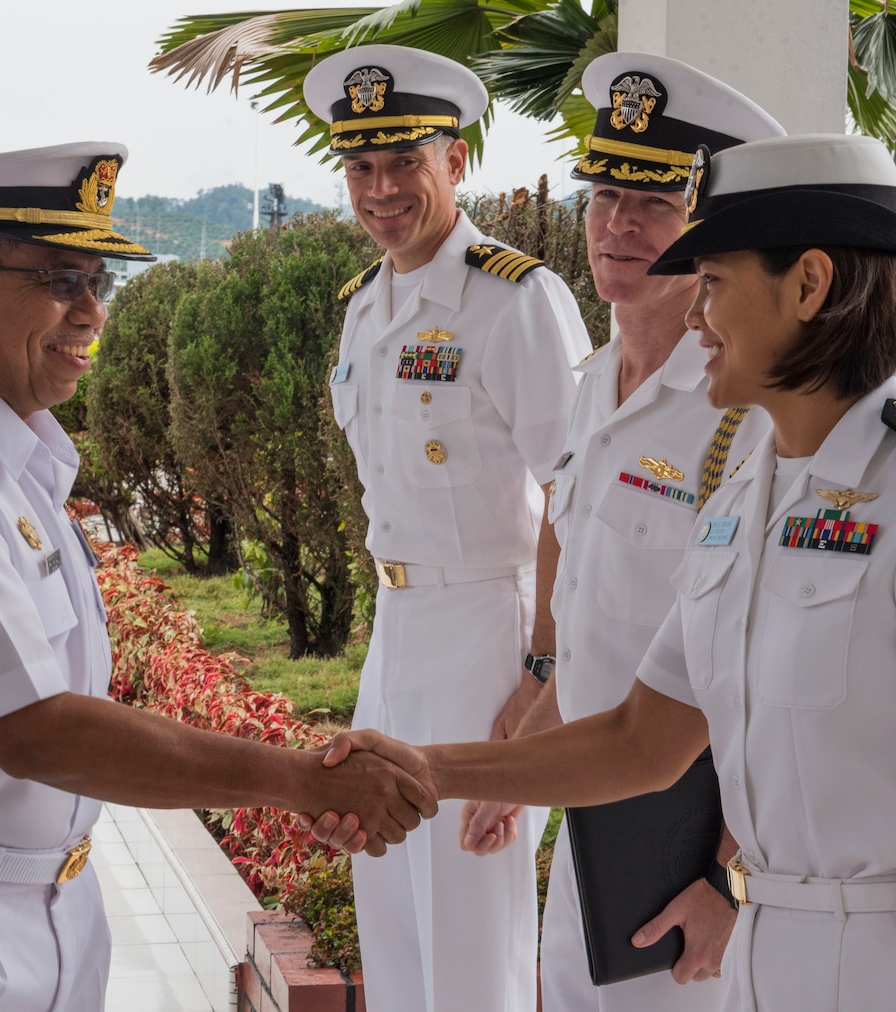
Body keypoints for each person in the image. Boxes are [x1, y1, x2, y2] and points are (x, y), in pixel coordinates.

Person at [318, 134, 896, 1012]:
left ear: (810, 285)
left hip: (894, 962)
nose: (695, 316)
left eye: (712, 283)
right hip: (764, 955)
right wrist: (417, 768)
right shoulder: (745, 500)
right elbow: (638, 740)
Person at [0, 142, 434, 1012]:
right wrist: (304, 780)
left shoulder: (14, 456)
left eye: (100, 283)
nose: (91, 313)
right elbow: (36, 732)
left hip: (41, 908)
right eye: (59, 281)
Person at [454, 53, 783, 1012]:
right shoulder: (592, 384)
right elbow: (595, 622)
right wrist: (522, 759)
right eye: (604, 193)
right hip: (594, 827)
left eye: (653, 204)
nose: (617, 224)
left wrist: (731, 877)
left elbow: (774, 680)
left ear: (709, 232)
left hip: (691, 851)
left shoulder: (747, 418)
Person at [303, 44, 592, 1012]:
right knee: (389, 889)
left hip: (487, 629)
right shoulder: (363, 307)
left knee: (473, 905)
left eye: (404, 165)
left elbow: (576, 496)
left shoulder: (513, 299)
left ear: (455, 162)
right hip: (400, 628)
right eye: (360, 168)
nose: (381, 190)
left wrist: (543, 678)